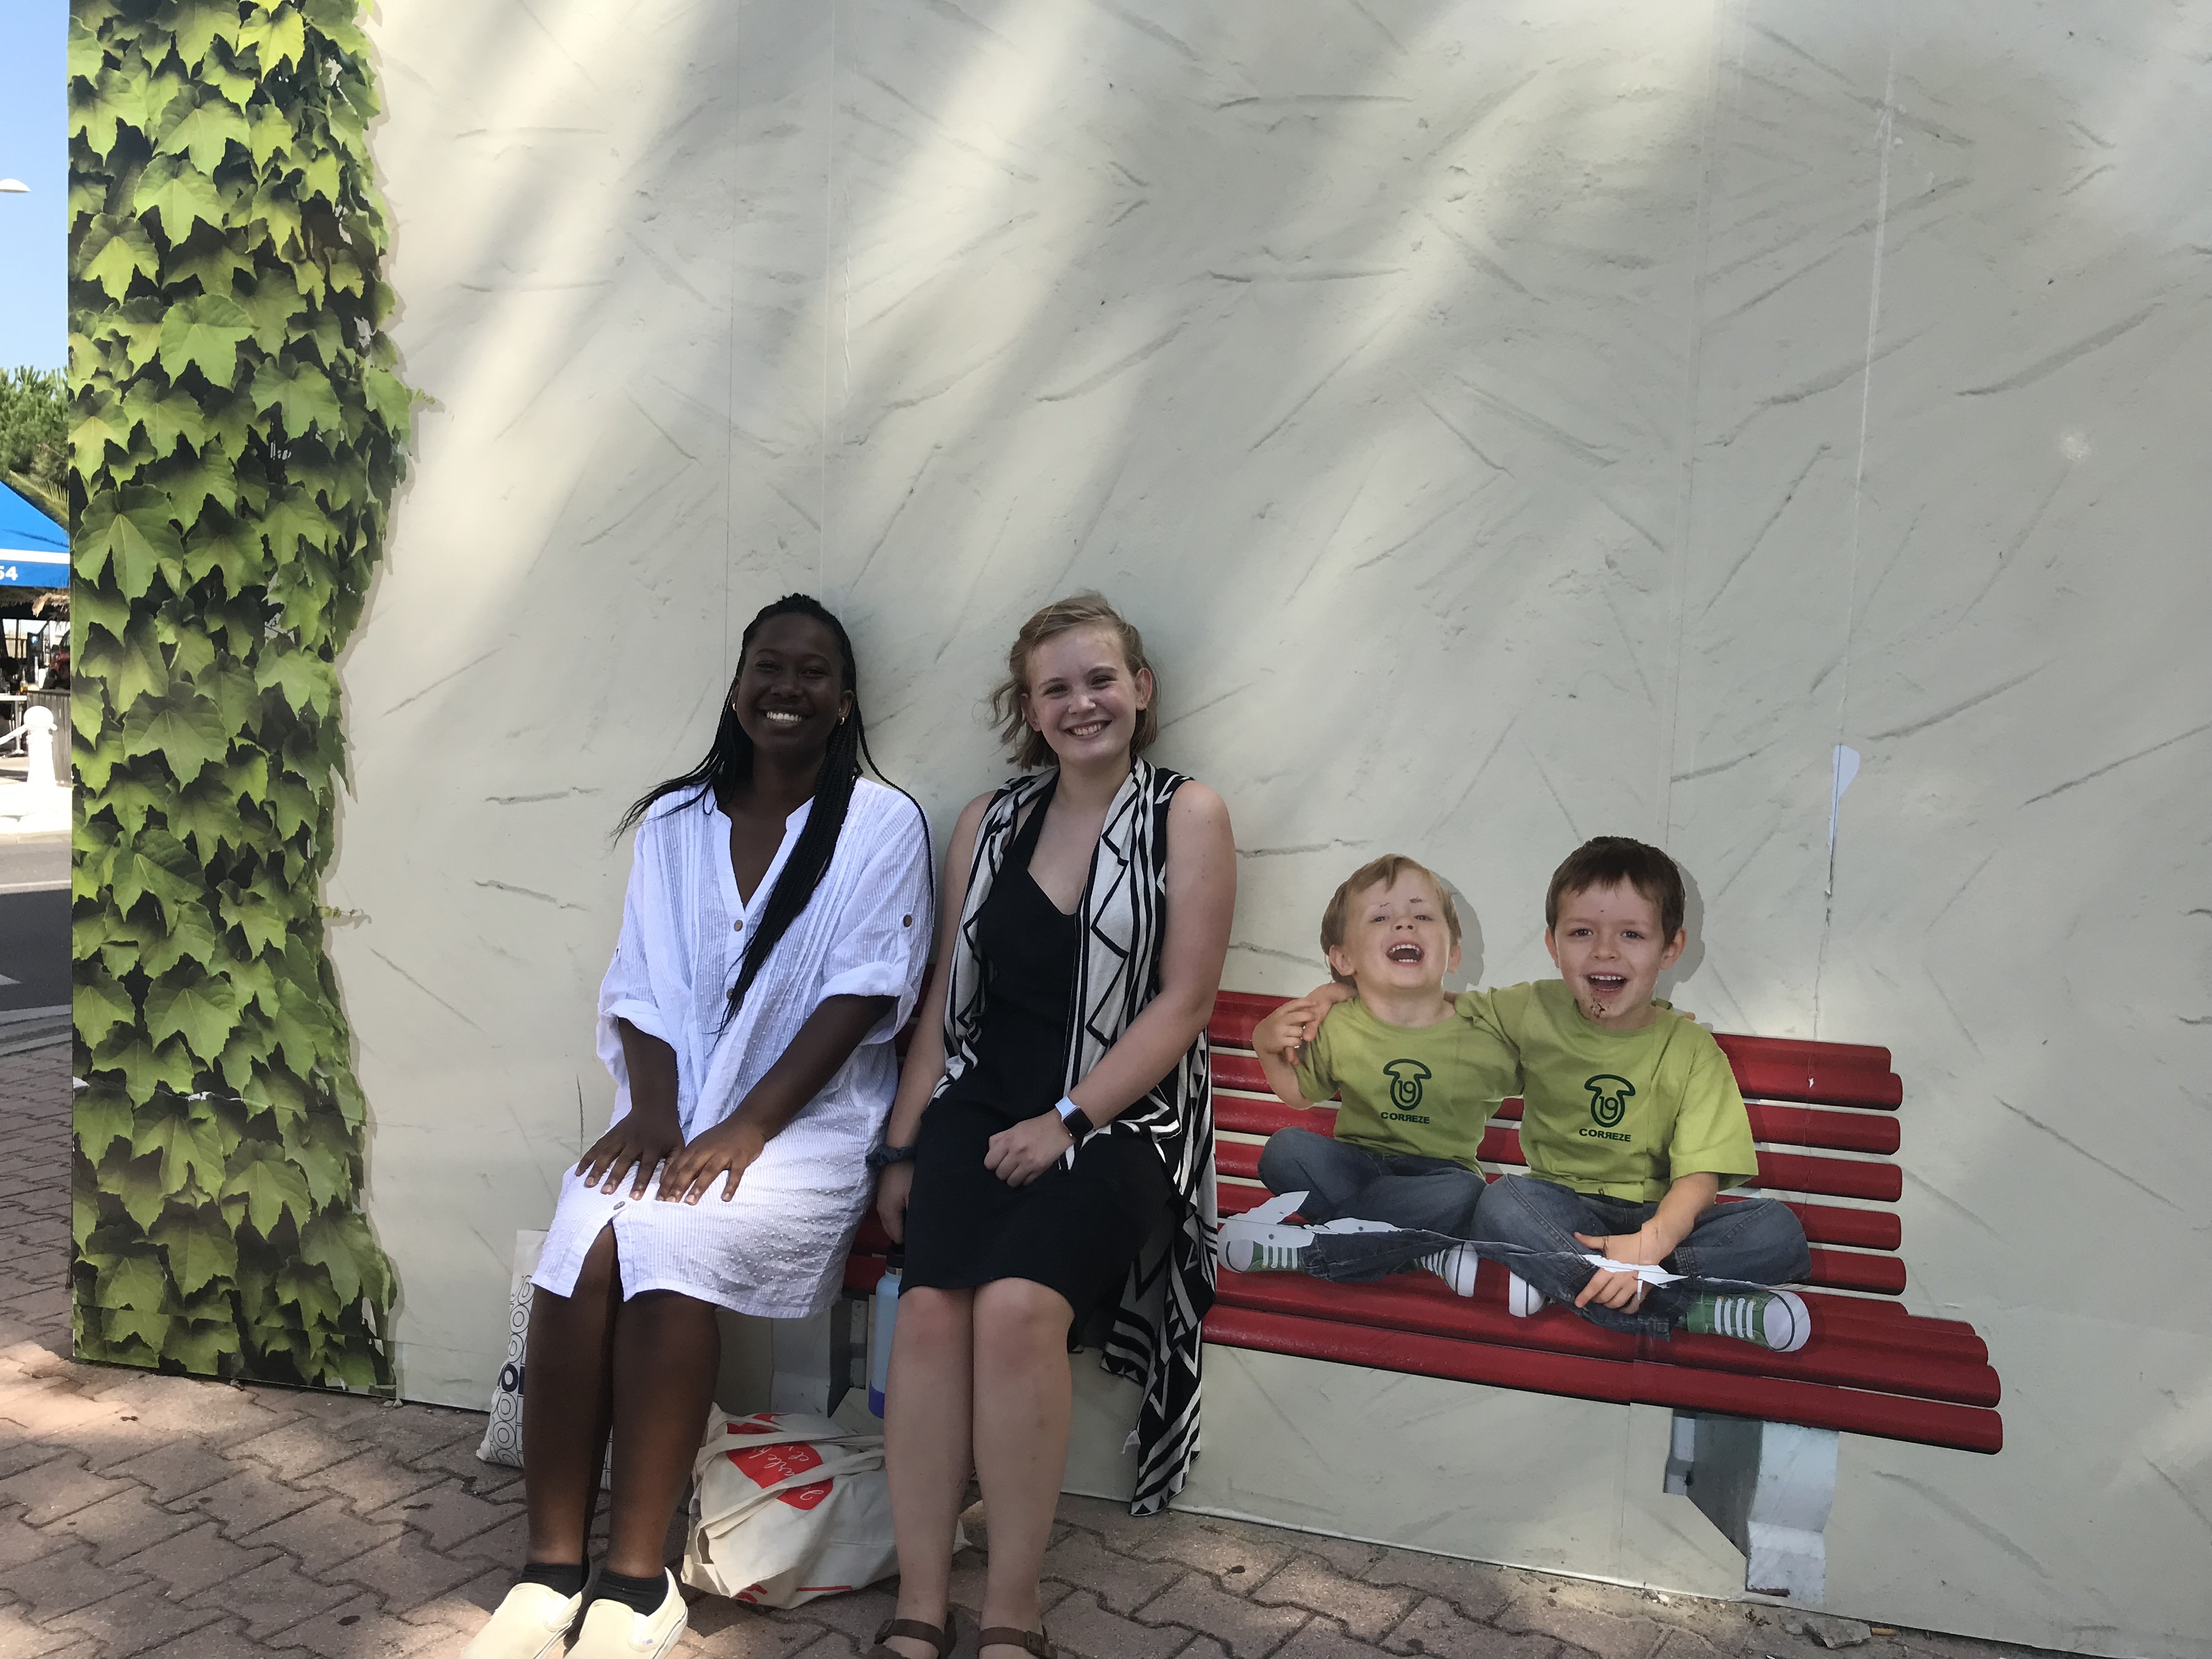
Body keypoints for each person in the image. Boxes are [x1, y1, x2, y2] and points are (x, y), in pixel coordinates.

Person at [465, 596, 933, 1659]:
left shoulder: (879, 822)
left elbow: (863, 993)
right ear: (737, 685)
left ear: (845, 700)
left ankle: (639, 1583)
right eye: (768, 666)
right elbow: (640, 982)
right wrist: (656, 1110)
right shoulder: (676, 821)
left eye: (813, 672)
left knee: (669, 1242)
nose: (787, 687)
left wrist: (749, 1127)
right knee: (582, 1237)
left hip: (806, 1126)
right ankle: (549, 1569)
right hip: (667, 1109)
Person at [871, 595, 1235, 1659]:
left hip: (1126, 1117)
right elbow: (947, 999)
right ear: (1029, 709)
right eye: (1057, 688)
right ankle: (921, 1600)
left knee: (1017, 1309)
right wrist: (901, 1146)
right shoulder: (990, 821)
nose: (1084, 703)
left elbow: (1185, 1003)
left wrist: (1066, 1120)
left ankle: (1012, 1608)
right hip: (981, 1104)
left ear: (1141, 688)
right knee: (928, 1314)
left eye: (1102, 679)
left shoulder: (1185, 813)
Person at [1222, 855, 1506, 1293]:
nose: (1405, 924)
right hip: (1357, 1166)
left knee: (1468, 1194)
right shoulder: (1339, 1023)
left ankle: (1313, 1250)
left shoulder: (1484, 1031)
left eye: (1423, 916)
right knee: (1285, 1151)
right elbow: (1300, 1094)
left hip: (1439, 1177)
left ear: (1453, 954)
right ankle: (1418, 1248)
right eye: (1380, 917)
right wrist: (1265, 1045)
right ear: (1345, 958)